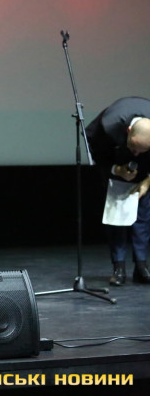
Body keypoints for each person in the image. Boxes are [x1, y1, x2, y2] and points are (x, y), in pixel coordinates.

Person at [85, 96, 150, 285]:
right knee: (117, 219)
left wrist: (148, 181)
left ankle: (141, 265)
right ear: (128, 131)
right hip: (114, 162)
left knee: (143, 218)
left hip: (145, 170)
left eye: (141, 150)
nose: (135, 154)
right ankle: (118, 267)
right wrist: (116, 170)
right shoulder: (105, 128)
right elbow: (97, 156)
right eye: (134, 148)